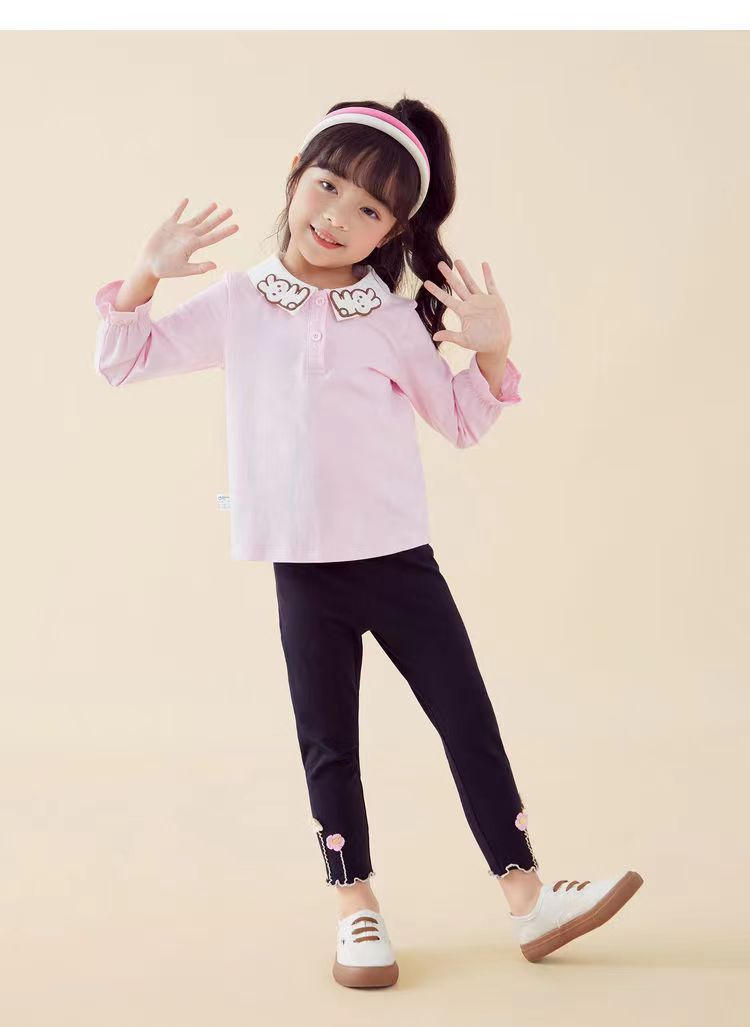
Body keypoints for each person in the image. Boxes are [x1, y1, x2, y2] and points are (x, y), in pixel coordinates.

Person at [93, 97, 643, 987]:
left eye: (370, 209)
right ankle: (356, 905)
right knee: (329, 741)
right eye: (327, 186)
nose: (337, 217)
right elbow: (124, 359)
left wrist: (492, 354)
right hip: (304, 566)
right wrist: (143, 277)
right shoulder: (241, 301)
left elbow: (460, 421)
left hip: (398, 561)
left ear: (393, 231)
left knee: (467, 719)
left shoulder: (389, 318)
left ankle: (529, 897)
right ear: (295, 177)